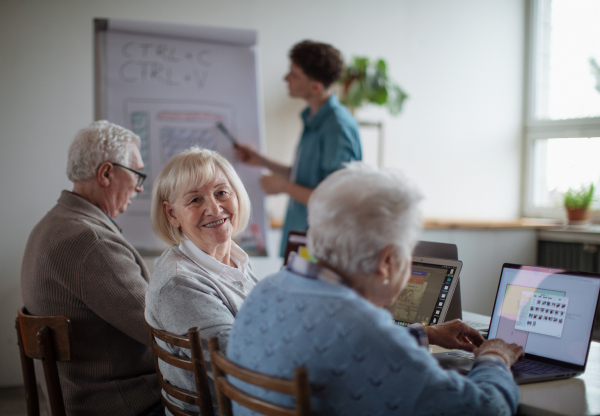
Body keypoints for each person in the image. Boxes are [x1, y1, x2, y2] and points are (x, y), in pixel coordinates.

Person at [227, 163, 524, 416]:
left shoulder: (265, 290)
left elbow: (336, 352)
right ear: (388, 261)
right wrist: (494, 356)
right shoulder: (363, 328)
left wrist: (425, 334)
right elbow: (486, 409)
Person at [21, 120, 162, 416]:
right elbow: (159, 328)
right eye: (137, 174)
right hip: (119, 402)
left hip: (76, 395)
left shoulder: (50, 224)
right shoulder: (90, 241)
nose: (139, 187)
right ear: (106, 173)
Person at [146, 147, 257, 415]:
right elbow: (246, 367)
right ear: (172, 214)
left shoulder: (237, 260)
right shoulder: (179, 283)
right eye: (195, 200)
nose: (214, 208)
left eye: (221, 193)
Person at [235, 40, 362, 256]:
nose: (286, 79)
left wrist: (284, 187)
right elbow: (305, 177)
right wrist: (261, 161)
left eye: (294, 74)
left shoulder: (337, 128)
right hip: (300, 239)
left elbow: (337, 198)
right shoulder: (313, 119)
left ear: (316, 87)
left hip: (320, 247)